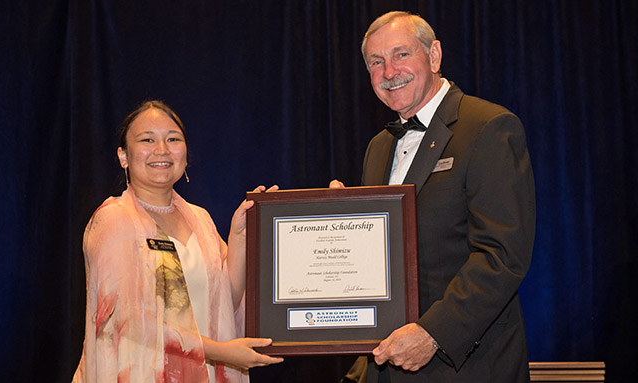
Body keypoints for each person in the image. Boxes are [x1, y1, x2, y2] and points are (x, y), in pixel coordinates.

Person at [334, 11, 536, 382]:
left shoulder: (487, 127)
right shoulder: (378, 147)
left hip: (466, 366)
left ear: (434, 55)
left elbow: (503, 255)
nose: (389, 71)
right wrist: (341, 222)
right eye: (376, 62)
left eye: (401, 54)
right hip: (388, 365)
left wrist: (433, 334)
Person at [73, 100, 283, 383]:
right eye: (147, 139)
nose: (162, 150)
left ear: (185, 154)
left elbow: (224, 302)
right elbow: (133, 322)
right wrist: (223, 352)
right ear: (123, 156)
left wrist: (239, 237)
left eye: (173, 139)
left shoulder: (200, 219)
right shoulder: (114, 220)